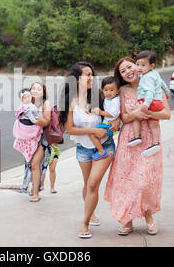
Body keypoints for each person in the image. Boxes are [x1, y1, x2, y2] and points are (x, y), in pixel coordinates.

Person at [105, 56, 171, 236]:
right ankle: (128, 220)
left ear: (137, 65)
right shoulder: (122, 90)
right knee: (127, 181)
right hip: (129, 140)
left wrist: (148, 112)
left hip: (150, 139)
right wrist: (136, 113)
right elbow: (124, 118)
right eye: (123, 71)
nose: (128, 72)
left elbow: (167, 114)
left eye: (129, 67)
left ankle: (149, 216)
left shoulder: (153, 83)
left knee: (145, 181)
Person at [58, 61, 117, 239]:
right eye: (87, 75)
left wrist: (115, 124)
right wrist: (92, 130)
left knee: (92, 184)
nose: (91, 77)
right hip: (83, 148)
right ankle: (90, 213)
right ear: (77, 79)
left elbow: (115, 115)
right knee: (87, 185)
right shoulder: (71, 102)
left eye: (92, 74)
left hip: (104, 147)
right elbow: (70, 129)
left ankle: (84, 222)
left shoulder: (100, 96)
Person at [128, 50, 171, 157]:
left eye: (143, 65)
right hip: (158, 102)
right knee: (154, 124)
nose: (139, 68)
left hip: (149, 101)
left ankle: (137, 136)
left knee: (136, 115)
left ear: (151, 66)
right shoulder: (155, 74)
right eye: (137, 64)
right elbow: (162, 83)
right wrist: (167, 92)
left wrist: (146, 104)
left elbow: (150, 91)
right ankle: (155, 143)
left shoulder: (146, 77)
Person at [28, 82, 52, 202]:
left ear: (43, 92)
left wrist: (34, 119)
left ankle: (36, 193)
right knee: (31, 165)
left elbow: (47, 121)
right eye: (33, 88)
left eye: (39, 89)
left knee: (35, 164)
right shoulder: (27, 102)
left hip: (43, 138)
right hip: (29, 138)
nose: (35, 91)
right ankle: (34, 187)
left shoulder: (45, 103)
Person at [89, 76, 121, 160]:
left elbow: (113, 114)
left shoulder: (115, 100)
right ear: (102, 90)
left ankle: (101, 151)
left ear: (117, 90)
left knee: (92, 134)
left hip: (109, 125)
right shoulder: (107, 99)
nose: (108, 92)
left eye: (111, 90)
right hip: (106, 123)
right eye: (106, 90)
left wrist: (100, 112)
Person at [13, 88, 43, 165]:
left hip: (30, 126)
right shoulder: (22, 107)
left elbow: (34, 117)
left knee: (31, 138)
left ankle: (29, 154)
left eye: (28, 97)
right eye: (24, 98)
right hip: (23, 126)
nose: (26, 99)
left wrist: (35, 119)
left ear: (31, 97)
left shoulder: (32, 107)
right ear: (21, 99)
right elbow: (17, 115)